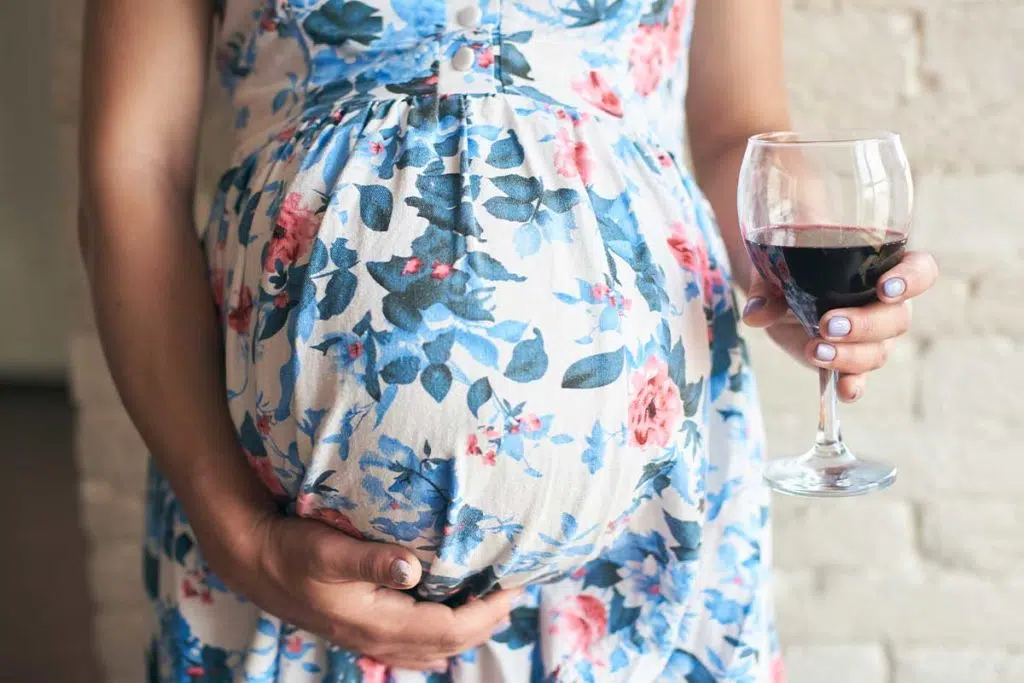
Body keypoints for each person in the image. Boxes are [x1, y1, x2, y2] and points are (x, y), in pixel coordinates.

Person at [78, 0, 938, 681]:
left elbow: (732, 130)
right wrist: (234, 530)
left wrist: (795, 273)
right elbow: (133, 167)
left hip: (645, 523)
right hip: (267, 520)